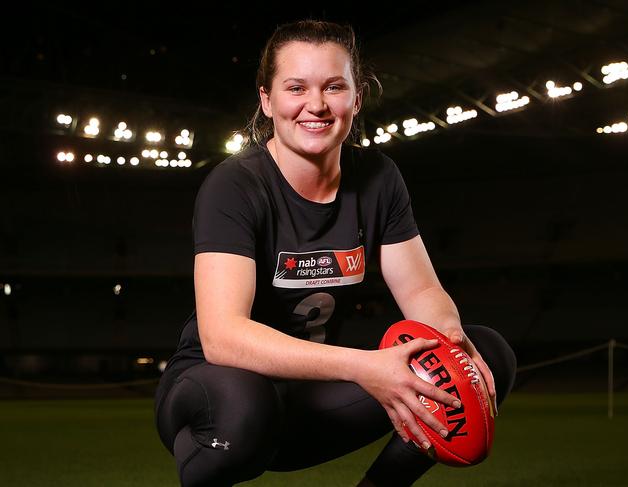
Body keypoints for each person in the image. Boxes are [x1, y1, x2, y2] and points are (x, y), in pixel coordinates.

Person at [154, 20, 516, 487]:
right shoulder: (235, 185)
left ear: (356, 98)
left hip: (310, 403)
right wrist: (366, 367)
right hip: (215, 400)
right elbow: (224, 338)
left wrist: (449, 338)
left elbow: (422, 288)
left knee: (484, 353)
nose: (317, 105)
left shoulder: (379, 177)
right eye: (296, 88)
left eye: (333, 87)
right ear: (267, 100)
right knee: (244, 405)